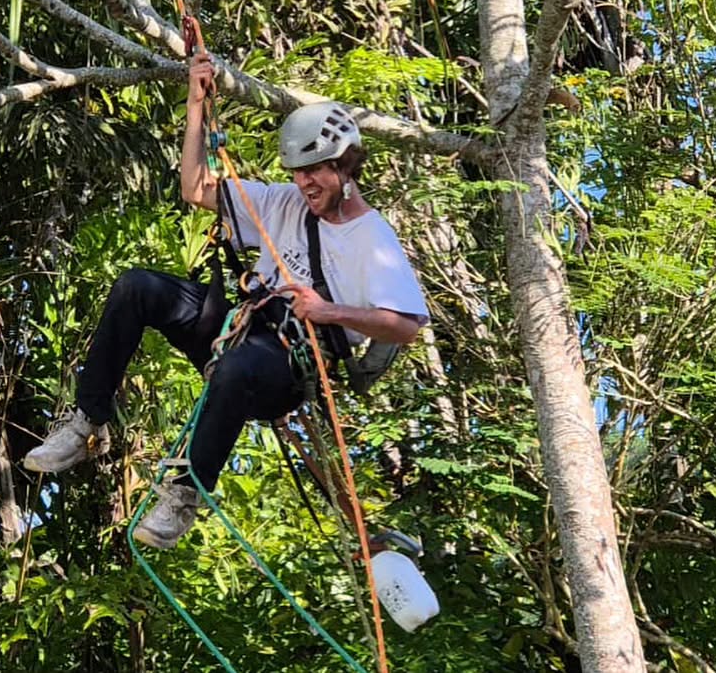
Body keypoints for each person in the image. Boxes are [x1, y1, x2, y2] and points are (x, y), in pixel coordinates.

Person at [23, 53, 429, 549]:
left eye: (316, 172)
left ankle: (184, 494)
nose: (305, 184)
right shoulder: (286, 201)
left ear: (345, 166)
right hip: (236, 324)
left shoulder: (372, 237)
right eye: (299, 173)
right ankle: (86, 421)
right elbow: (195, 188)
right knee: (137, 287)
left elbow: (406, 326)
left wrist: (329, 312)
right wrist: (196, 106)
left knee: (237, 366)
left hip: (287, 365)